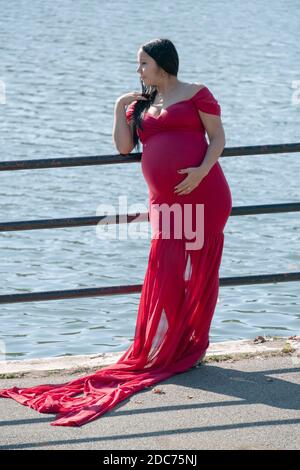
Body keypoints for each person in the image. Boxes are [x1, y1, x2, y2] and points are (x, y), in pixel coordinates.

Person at [0, 38, 232, 427]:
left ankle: (190, 345)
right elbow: (124, 149)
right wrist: (120, 107)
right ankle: (165, 347)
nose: (138, 71)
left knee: (198, 270)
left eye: (143, 64)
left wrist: (200, 172)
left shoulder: (197, 94)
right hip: (165, 203)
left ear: (162, 64)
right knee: (168, 269)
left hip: (204, 193)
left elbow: (218, 139)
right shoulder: (140, 106)